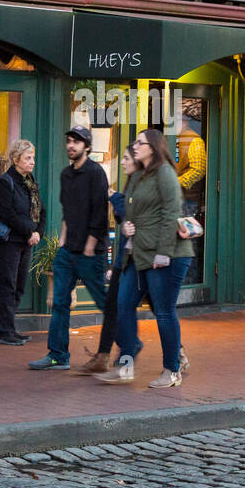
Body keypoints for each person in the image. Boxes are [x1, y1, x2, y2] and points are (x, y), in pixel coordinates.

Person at [96, 129, 194, 389]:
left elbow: (171, 212)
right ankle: (125, 364)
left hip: (167, 255)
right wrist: (126, 224)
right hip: (137, 255)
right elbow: (130, 211)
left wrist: (163, 253)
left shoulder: (165, 173)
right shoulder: (139, 176)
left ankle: (172, 370)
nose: (135, 146)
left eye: (140, 142)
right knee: (123, 306)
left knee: (163, 312)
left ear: (153, 147)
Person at [72, 147, 165, 375]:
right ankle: (109, 355)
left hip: (139, 259)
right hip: (125, 258)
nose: (122, 162)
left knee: (155, 310)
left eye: (126, 158)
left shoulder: (143, 185)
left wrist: (114, 197)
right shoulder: (131, 183)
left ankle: (139, 351)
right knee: (117, 306)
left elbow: (134, 215)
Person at [28, 126, 109, 370]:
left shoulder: (96, 174)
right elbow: (67, 211)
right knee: (60, 303)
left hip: (90, 254)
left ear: (87, 146)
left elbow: (100, 215)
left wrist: (89, 247)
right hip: (67, 253)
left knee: (105, 302)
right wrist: (62, 243)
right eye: (69, 141)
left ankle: (128, 349)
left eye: (76, 142)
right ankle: (58, 355)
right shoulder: (66, 174)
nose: (70, 145)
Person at [0, 138, 45, 345]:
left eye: (33, 158)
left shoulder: (31, 182)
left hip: (26, 241)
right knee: (8, 284)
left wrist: (38, 232)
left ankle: (9, 328)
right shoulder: (6, 181)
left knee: (20, 284)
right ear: (16, 159)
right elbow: (7, 214)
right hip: (8, 241)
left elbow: (42, 211)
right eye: (28, 158)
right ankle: (3, 331)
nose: (32, 162)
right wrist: (29, 232)